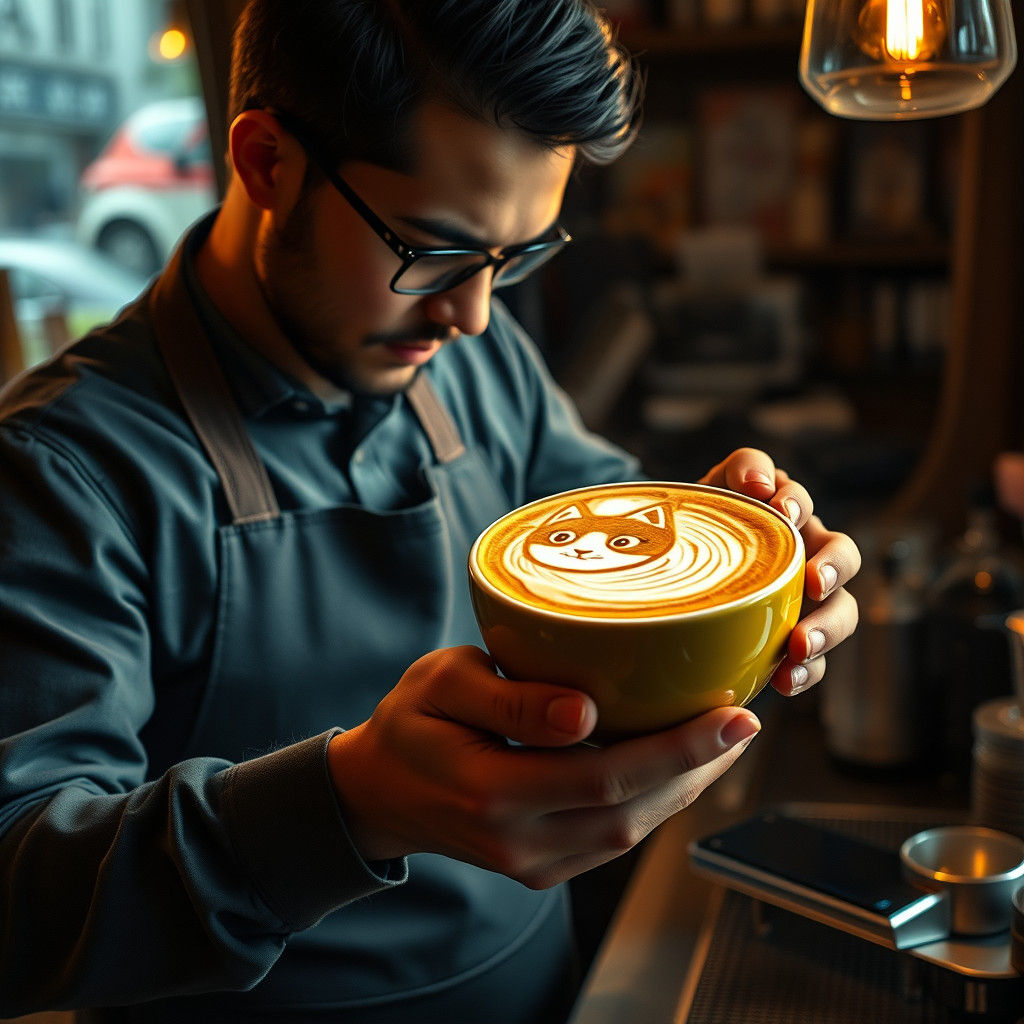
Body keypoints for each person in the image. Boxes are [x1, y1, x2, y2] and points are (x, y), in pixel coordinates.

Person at [0, 2, 861, 1021]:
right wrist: (349, 805)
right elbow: (22, 904)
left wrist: (746, 576)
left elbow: (608, 528)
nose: (472, 314)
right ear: (268, 161)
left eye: (516, 256)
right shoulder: (64, 470)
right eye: (430, 249)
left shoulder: (474, 356)